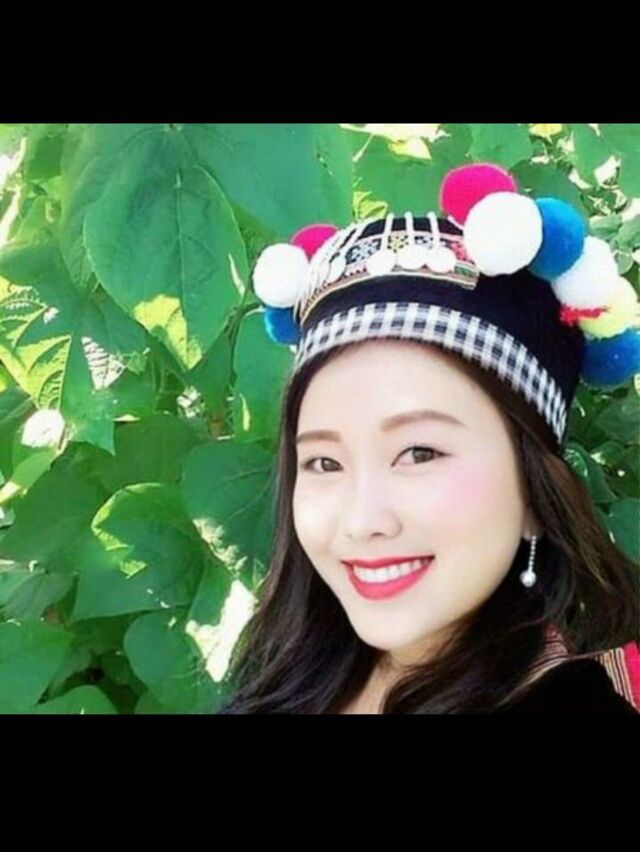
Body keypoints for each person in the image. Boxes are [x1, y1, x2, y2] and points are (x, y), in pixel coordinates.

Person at [216, 162, 640, 714]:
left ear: (536, 493)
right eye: (323, 462)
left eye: (419, 453)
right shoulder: (286, 675)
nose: (362, 521)